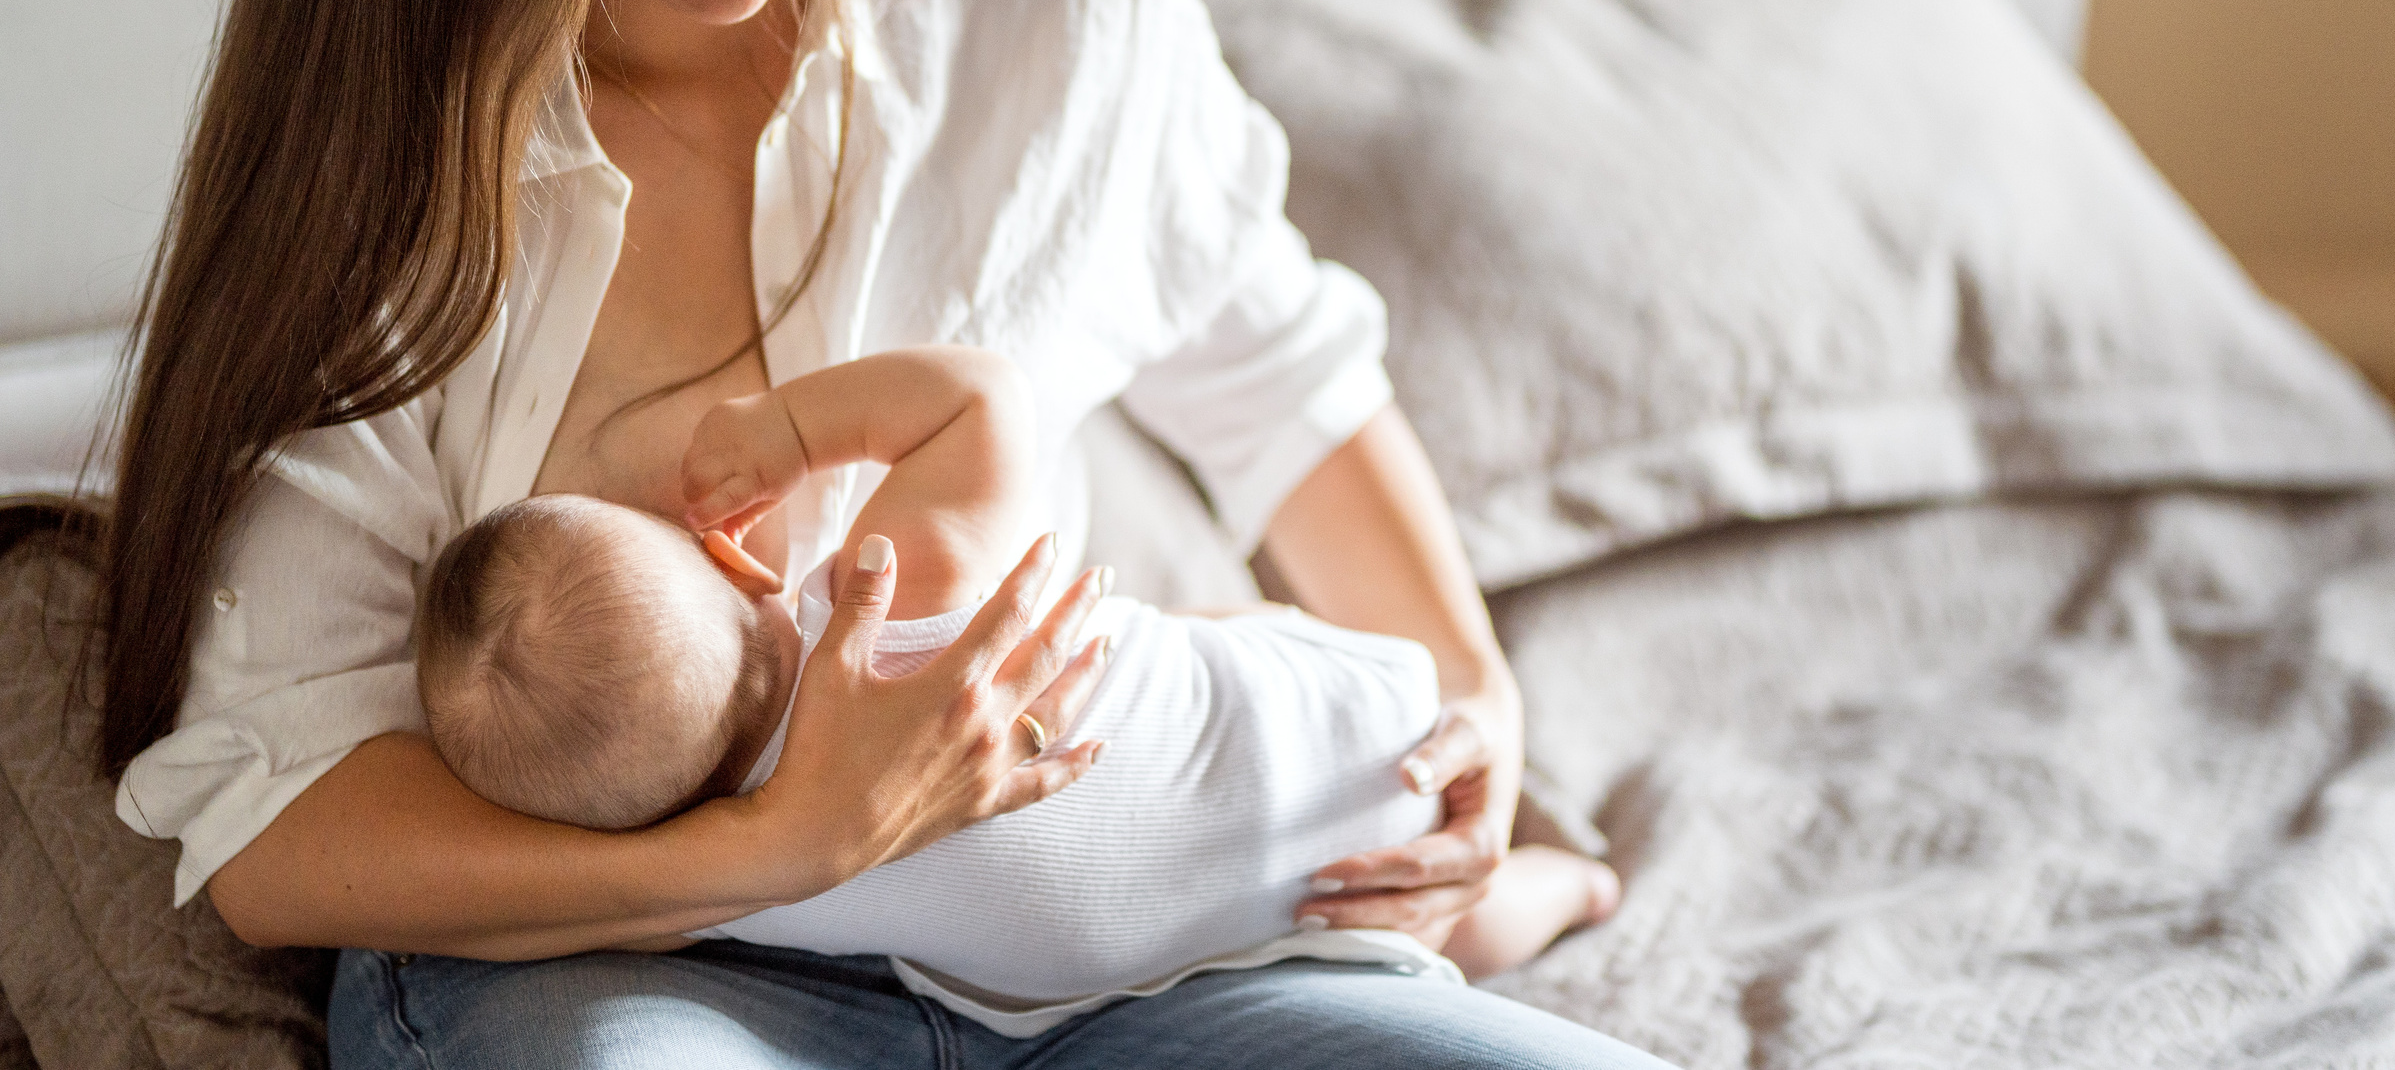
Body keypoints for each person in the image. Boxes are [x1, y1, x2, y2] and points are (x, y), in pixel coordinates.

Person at [93, 0, 1672, 1066]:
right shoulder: (390, 171)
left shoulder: (1039, 1)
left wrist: (1468, 714)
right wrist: (779, 847)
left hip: (1115, 949)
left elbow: (1284, 387)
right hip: (630, 960)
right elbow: (276, 824)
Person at [412, 347, 1621, 1030]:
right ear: (735, 559)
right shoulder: (900, 589)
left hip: (1273, 934)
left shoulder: (733, 899)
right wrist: (786, 430)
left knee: (1449, 937)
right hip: (1358, 739)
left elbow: (576, 913)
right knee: (1190, 650)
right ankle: (1573, 875)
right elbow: (981, 400)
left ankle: (1565, 891)